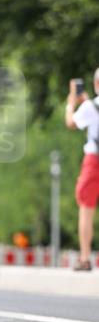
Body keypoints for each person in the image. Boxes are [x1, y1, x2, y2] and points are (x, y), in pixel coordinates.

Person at [65, 69, 99, 271]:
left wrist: (71, 101)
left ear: (96, 84)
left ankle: (85, 258)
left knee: (86, 208)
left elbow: (71, 122)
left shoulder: (90, 107)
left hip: (94, 160)